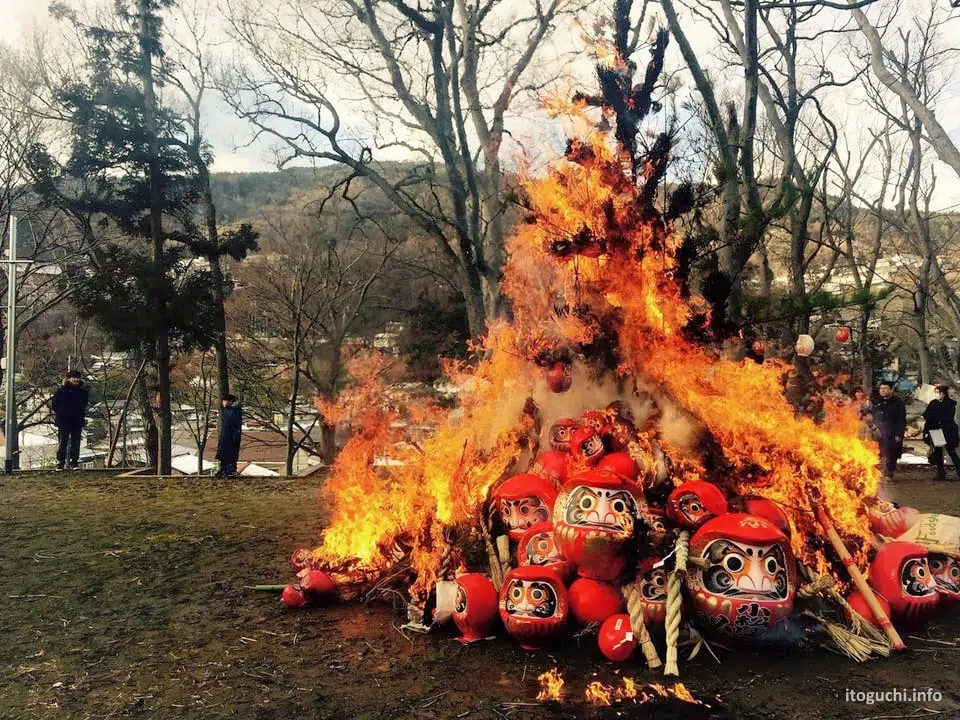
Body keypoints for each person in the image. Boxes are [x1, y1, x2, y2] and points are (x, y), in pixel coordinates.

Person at [51, 370, 89, 471]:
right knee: (62, 442)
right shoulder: (61, 391)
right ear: (68, 379)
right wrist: (62, 412)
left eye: (77, 377)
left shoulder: (83, 392)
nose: (76, 379)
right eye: (73, 377)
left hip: (77, 420)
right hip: (64, 421)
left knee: (76, 442)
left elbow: (85, 404)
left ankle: (74, 463)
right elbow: (54, 404)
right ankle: (60, 463)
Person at [923, 384, 960, 482]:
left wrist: (936, 419)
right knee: (938, 453)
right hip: (936, 431)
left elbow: (948, 417)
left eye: (938, 392)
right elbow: (926, 415)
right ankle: (941, 473)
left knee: (951, 452)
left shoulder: (950, 404)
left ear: (943, 393)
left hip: (947, 430)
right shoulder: (933, 403)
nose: (937, 394)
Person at [873, 380, 906, 481]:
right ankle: (876, 473)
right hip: (878, 432)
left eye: (885, 388)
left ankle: (889, 473)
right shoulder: (877, 402)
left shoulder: (898, 402)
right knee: (877, 453)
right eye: (881, 389)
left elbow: (901, 419)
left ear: (891, 390)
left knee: (891, 454)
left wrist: (899, 434)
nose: (882, 391)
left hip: (892, 432)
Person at [215, 394, 242, 478]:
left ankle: (230, 470)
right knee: (224, 453)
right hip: (225, 435)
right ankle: (224, 470)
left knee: (230, 454)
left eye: (225, 401)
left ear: (230, 402)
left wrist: (235, 437)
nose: (223, 402)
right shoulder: (226, 410)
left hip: (230, 436)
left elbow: (235, 425)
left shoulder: (234, 411)